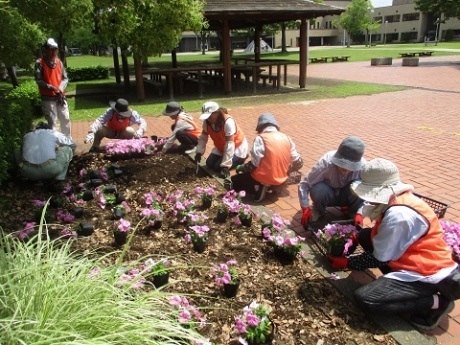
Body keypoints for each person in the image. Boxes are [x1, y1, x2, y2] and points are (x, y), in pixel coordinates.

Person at [328, 158, 459, 330]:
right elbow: (380, 237)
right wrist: (357, 236)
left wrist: (348, 263)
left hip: (425, 272)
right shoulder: (400, 198)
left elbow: (379, 259)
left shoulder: (398, 216)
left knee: (366, 299)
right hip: (414, 256)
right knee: (366, 235)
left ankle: (435, 302)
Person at [231, 112, 303, 202]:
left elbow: (254, 165)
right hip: (282, 176)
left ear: (260, 127)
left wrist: (241, 167)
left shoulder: (260, 139)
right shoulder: (286, 138)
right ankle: (276, 185)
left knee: (234, 181)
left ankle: (260, 186)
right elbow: (299, 162)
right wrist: (288, 171)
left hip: (263, 176)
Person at [298, 136, 366, 227]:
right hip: (328, 193)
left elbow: (369, 193)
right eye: (343, 164)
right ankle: (319, 210)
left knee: (360, 186)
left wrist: (360, 212)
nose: (345, 168)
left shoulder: (364, 167)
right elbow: (304, 184)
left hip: (347, 195)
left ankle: (353, 212)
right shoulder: (325, 163)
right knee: (318, 189)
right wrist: (305, 207)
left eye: (350, 166)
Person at [195, 101, 248, 179]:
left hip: (237, 147)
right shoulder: (207, 122)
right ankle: (227, 159)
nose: (208, 119)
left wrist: (225, 166)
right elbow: (203, 137)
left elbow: (230, 144)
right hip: (222, 147)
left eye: (209, 116)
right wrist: (199, 152)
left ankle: (242, 158)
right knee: (209, 163)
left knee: (218, 167)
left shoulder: (228, 122)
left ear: (217, 113)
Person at [35, 38, 71, 136]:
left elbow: (65, 78)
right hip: (48, 98)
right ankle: (54, 144)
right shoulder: (40, 63)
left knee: (66, 118)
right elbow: (38, 80)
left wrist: (60, 88)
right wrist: (51, 87)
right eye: (51, 49)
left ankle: (67, 141)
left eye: (55, 49)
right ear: (45, 50)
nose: (53, 52)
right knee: (52, 122)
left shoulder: (59, 62)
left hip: (60, 97)